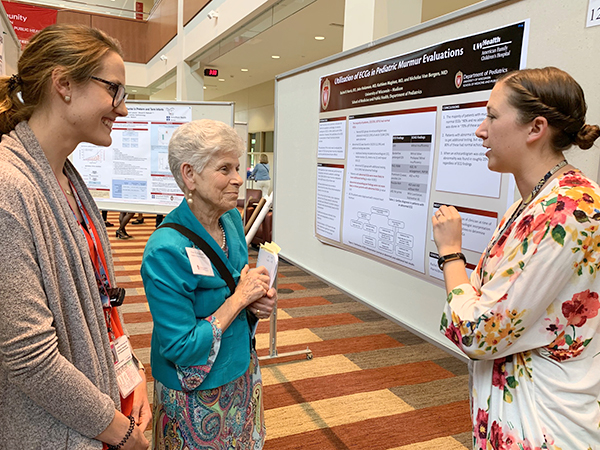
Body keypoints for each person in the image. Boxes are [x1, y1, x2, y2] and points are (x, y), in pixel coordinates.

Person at [432, 67, 600, 449]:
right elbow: (480, 297)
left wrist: (450, 253)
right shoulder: (528, 206)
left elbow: (477, 331)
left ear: (535, 128)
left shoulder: (569, 211)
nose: (481, 129)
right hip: (513, 408)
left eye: (492, 116)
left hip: (545, 420)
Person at [0, 24, 151, 449]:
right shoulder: (9, 188)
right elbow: (30, 359)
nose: (121, 109)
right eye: (114, 90)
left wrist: (131, 373)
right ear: (64, 83)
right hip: (50, 430)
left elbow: (102, 300)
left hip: (92, 410)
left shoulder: (66, 177)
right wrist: (119, 432)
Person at [141, 119, 276, 449]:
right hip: (195, 392)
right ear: (189, 174)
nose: (237, 180)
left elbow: (240, 284)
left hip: (241, 369)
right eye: (224, 169)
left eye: (238, 167)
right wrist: (238, 300)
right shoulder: (164, 251)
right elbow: (180, 347)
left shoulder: (230, 218)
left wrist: (257, 302)